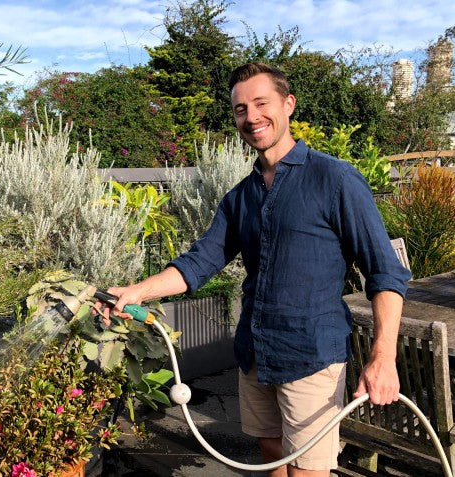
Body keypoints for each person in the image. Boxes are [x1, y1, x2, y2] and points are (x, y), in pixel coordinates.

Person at [97, 62, 411, 477]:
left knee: (307, 470)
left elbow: (385, 273)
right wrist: (136, 291)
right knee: (270, 453)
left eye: (261, 103)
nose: (252, 117)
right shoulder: (240, 196)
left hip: (311, 356)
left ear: (288, 104)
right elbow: (200, 261)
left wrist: (383, 357)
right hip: (255, 353)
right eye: (241, 109)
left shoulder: (335, 180)